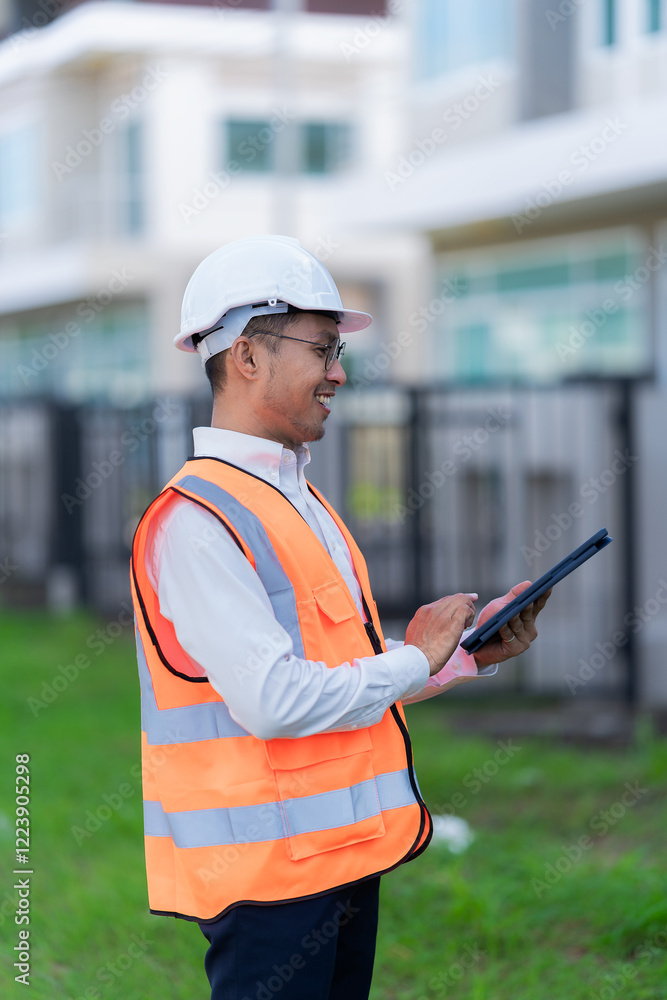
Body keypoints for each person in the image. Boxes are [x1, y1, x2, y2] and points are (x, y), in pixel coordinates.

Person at [130, 235, 550, 1000]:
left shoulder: (297, 499)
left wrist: (460, 658)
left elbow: (333, 680)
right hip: (264, 874)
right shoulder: (196, 519)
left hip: (336, 855)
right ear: (247, 356)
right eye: (321, 350)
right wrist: (415, 659)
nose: (338, 372)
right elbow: (275, 700)